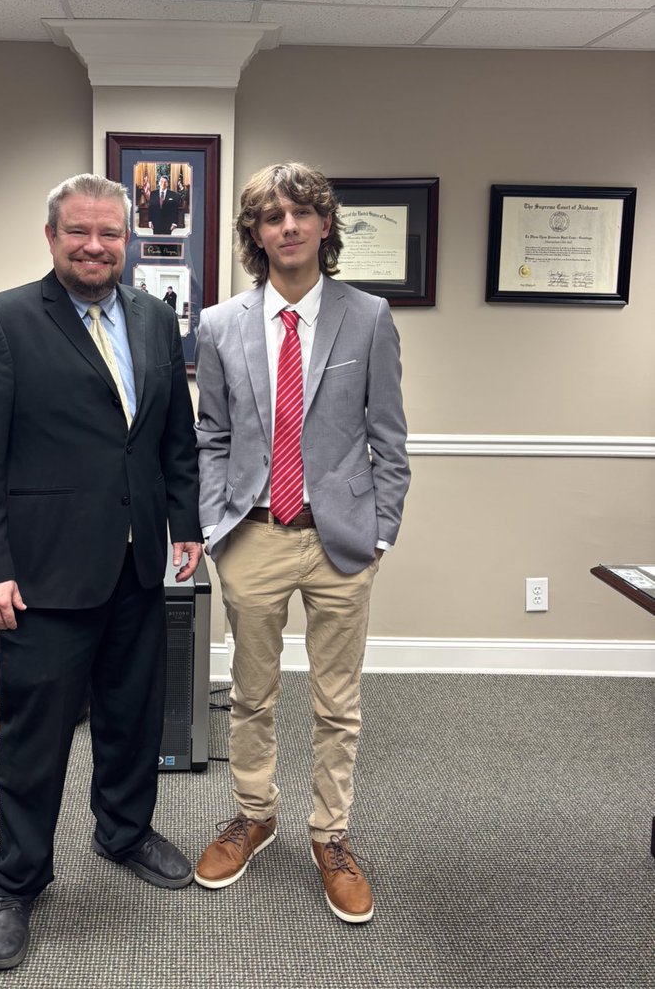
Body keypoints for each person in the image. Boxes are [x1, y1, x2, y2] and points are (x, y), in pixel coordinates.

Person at [0, 173, 203, 971]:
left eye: (110, 234)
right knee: (36, 737)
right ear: (52, 237)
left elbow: (172, 437)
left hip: (136, 561)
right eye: (79, 232)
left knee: (134, 716)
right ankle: (15, 880)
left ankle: (124, 831)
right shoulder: (2, 322)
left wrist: (186, 525)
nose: (95, 247)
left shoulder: (155, 319)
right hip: (44, 571)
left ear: (129, 241)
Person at [193, 162, 409, 924]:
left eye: (301, 213)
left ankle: (330, 835)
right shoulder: (220, 324)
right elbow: (211, 435)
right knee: (250, 693)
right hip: (251, 534)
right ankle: (254, 816)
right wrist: (214, 525)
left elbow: (389, 438)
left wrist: (381, 531)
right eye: (271, 216)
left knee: (337, 701)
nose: (287, 226)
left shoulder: (369, 317)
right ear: (254, 234)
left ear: (324, 225)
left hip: (339, 541)